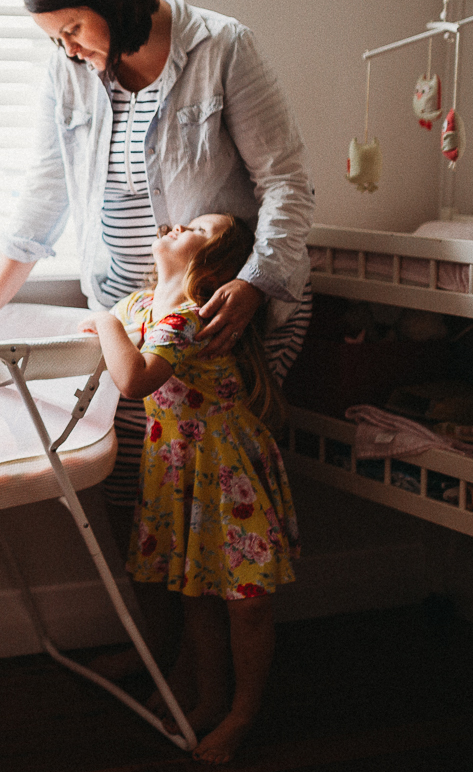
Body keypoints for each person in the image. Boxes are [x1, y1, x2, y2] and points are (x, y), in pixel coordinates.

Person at [0, 0, 313, 543]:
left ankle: (216, 632)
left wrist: (255, 284)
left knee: (216, 497)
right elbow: (47, 185)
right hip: (133, 317)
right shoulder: (70, 71)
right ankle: (167, 644)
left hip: (220, 311)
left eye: (74, 30)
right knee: (143, 506)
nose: (69, 50)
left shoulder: (222, 48)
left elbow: (286, 182)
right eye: (57, 39)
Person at [79, 213, 299, 765]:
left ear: (212, 265)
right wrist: (114, 323)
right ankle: (209, 699)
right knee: (196, 593)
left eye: (199, 229)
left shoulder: (188, 316)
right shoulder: (141, 306)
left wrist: (104, 322)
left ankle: (242, 714)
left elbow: (134, 379)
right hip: (180, 474)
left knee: (247, 603)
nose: (180, 225)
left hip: (226, 476)